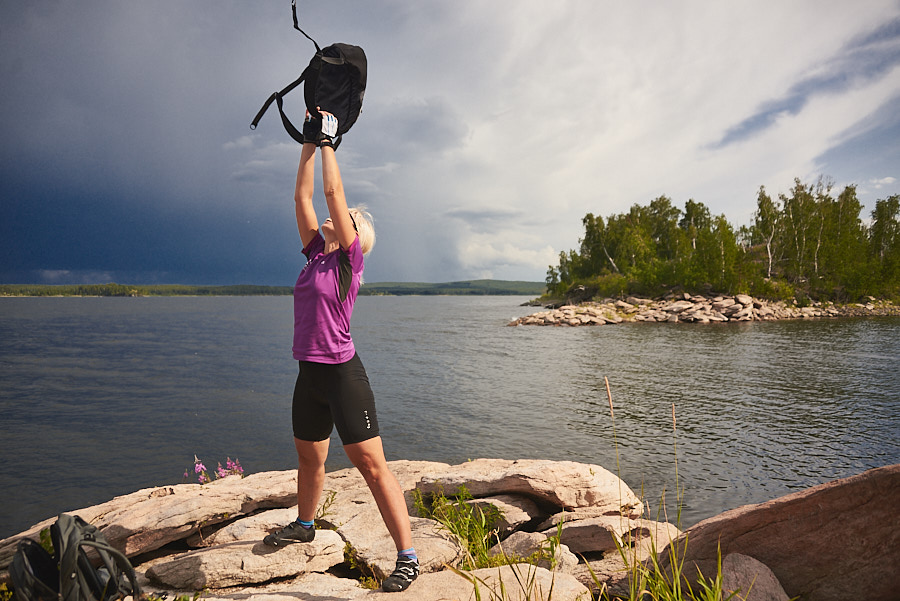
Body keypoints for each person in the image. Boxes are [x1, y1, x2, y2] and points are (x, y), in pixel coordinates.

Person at [262, 111, 418, 593]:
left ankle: (408, 558)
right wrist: (307, 143)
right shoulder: (314, 255)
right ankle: (305, 525)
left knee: (372, 467)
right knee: (310, 459)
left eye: (346, 218)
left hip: (343, 377)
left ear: (355, 237)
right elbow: (302, 197)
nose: (335, 213)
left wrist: (331, 141)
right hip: (309, 375)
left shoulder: (349, 260)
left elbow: (331, 194)